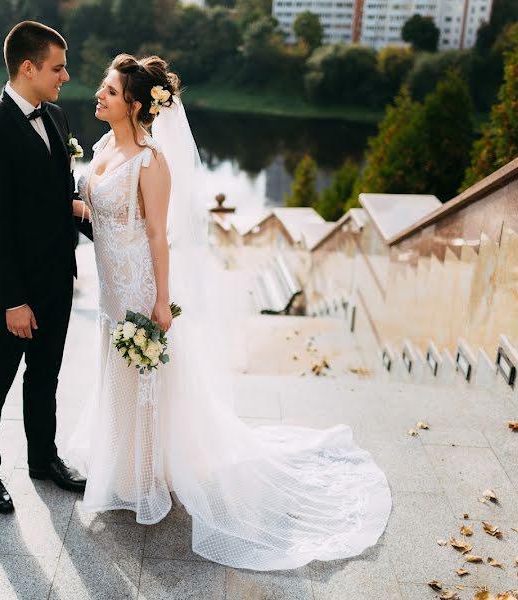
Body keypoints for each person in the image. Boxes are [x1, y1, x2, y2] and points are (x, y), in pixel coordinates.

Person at [66, 54, 392, 571]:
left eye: (108, 91)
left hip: (136, 285)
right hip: (109, 286)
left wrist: (159, 300)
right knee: (118, 372)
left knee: (144, 374)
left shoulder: (152, 162)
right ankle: (126, 463)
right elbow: (98, 211)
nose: (97, 97)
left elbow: (156, 234)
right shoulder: (105, 146)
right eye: (102, 89)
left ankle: (148, 474)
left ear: (133, 104)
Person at [0, 21, 91, 514]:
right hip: (13, 285)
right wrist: (14, 300)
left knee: (46, 375)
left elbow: (64, 193)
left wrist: (101, 225)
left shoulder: (55, 116)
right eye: (58, 67)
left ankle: (44, 459)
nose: (65, 75)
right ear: (28, 67)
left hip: (58, 276)